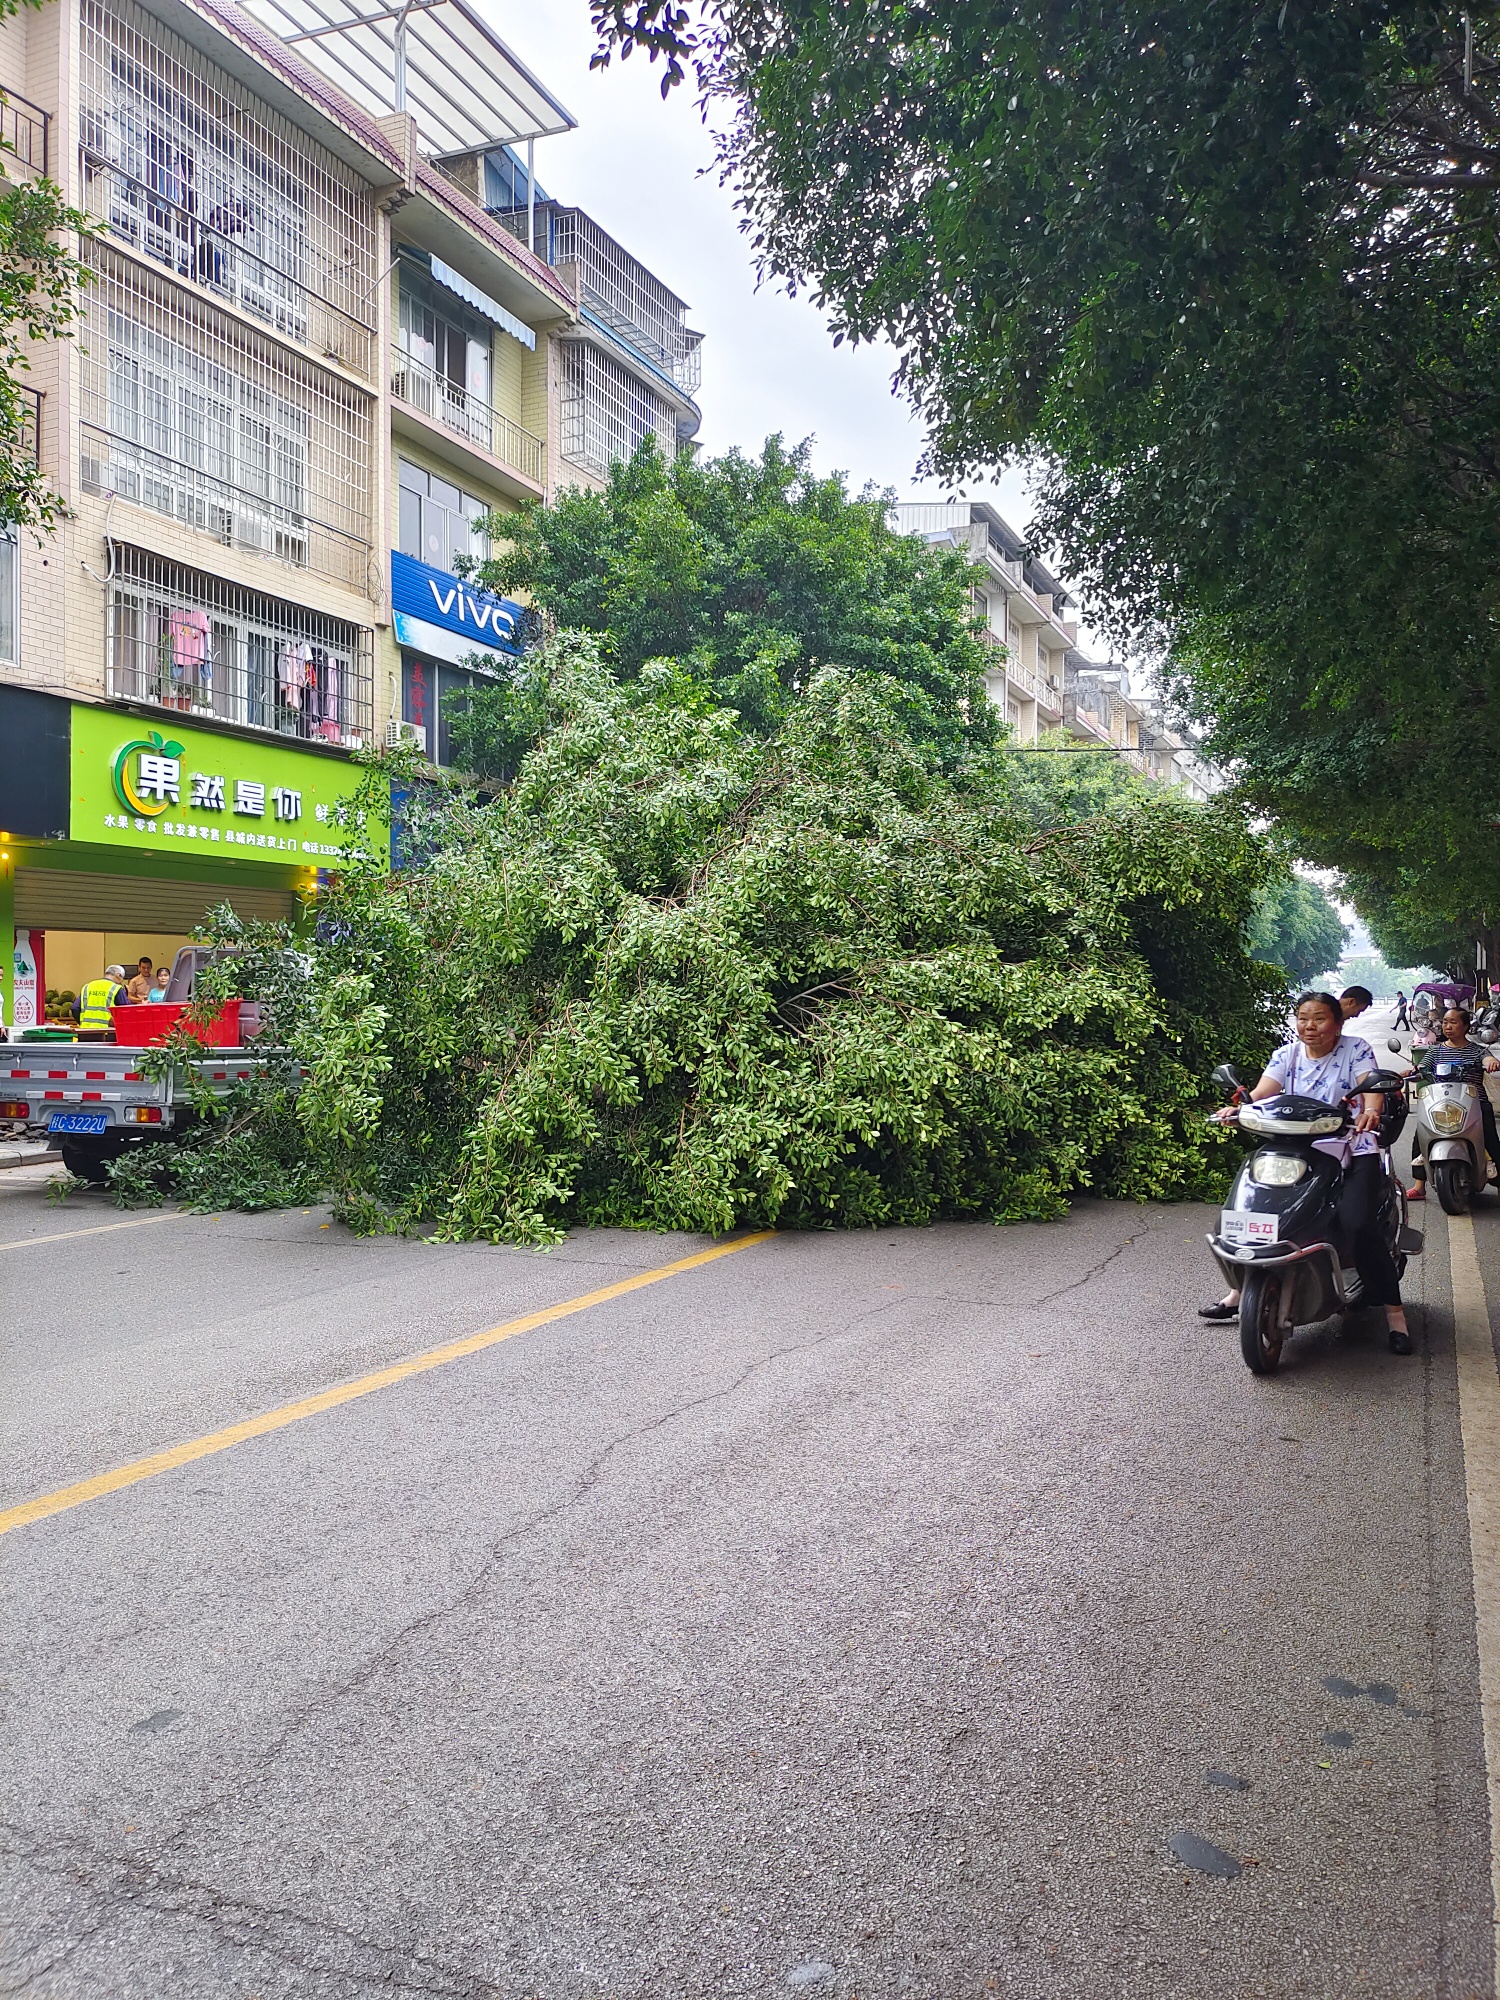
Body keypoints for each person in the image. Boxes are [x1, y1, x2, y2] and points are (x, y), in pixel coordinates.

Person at [1200, 989, 1413, 1353]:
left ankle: (1395, 1314)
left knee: (1357, 1221)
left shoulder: (1356, 1049)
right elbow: (1265, 1091)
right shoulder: (1287, 1054)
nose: (1309, 1026)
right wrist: (1238, 1109)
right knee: (1247, 1209)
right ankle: (1239, 1290)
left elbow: (1371, 1083)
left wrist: (1370, 1110)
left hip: (1351, 1143)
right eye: (1302, 1018)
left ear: (1337, 1023)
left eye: (1319, 1018)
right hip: (1292, 1147)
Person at [1407, 1006, 1500, 1200]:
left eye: (1453, 1022)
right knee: (1420, 1137)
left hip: (1474, 1103)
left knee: (1491, 1140)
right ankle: (1419, 1186)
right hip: (1440, 1103)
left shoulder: (1477, 1051)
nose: (1447, 1026)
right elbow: (1422, 1067)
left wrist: (1491, 1062)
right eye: (1445, 1022)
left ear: (1466, 1026)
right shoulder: (1435, 1051)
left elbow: (1487, 1058)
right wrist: (1413, 1072)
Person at [72, 964, 131, 1037]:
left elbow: (75, 1008)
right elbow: (126, 1011)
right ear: (118, 975)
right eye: (122, 979)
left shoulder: (88, 986)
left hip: (85, 1032)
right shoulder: (116, 988)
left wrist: (82, 1022)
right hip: (106, 1033)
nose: (121, 982)